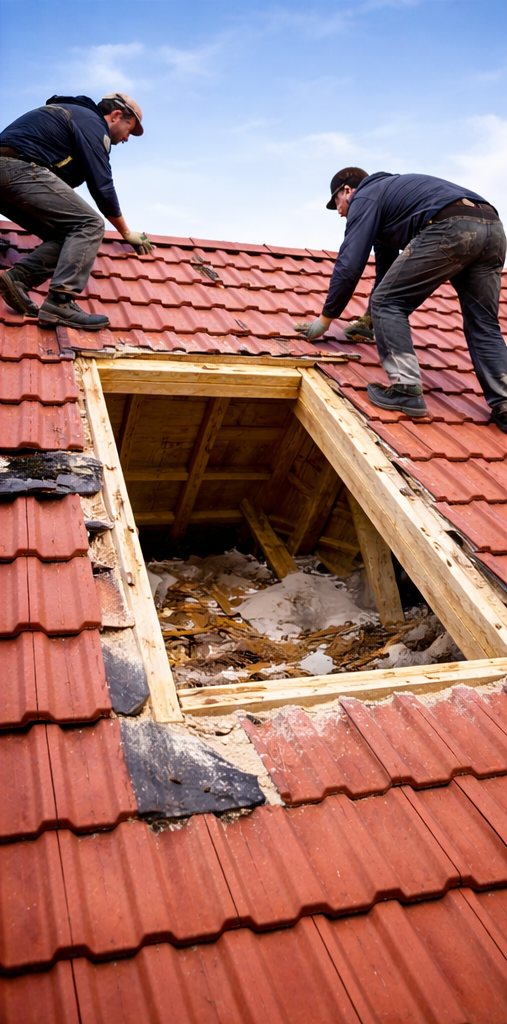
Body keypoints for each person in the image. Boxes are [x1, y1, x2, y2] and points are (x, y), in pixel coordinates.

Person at [296, 167, 507, 434]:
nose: (338, 211)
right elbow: (387, 269)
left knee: (388, 303)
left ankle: (405, 389)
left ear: (348, 191)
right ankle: (505, 404)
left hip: (451, 225)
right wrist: (369, 320)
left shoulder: (365, 196)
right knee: (483, 323)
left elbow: (349, 265)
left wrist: (325, 320)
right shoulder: (389, 199)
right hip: (492, 228)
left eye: (336, 202)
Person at [0, 92, 153, 331]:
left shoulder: (71, 117)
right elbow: (102, 186)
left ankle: (17, 279)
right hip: (16, 169)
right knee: (90, 224)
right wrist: (125, 232)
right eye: (129, 129)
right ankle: (60, 302)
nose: (127, 139)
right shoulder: (91, 122)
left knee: (66, 234)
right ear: (116, 115)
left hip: (8, 177)